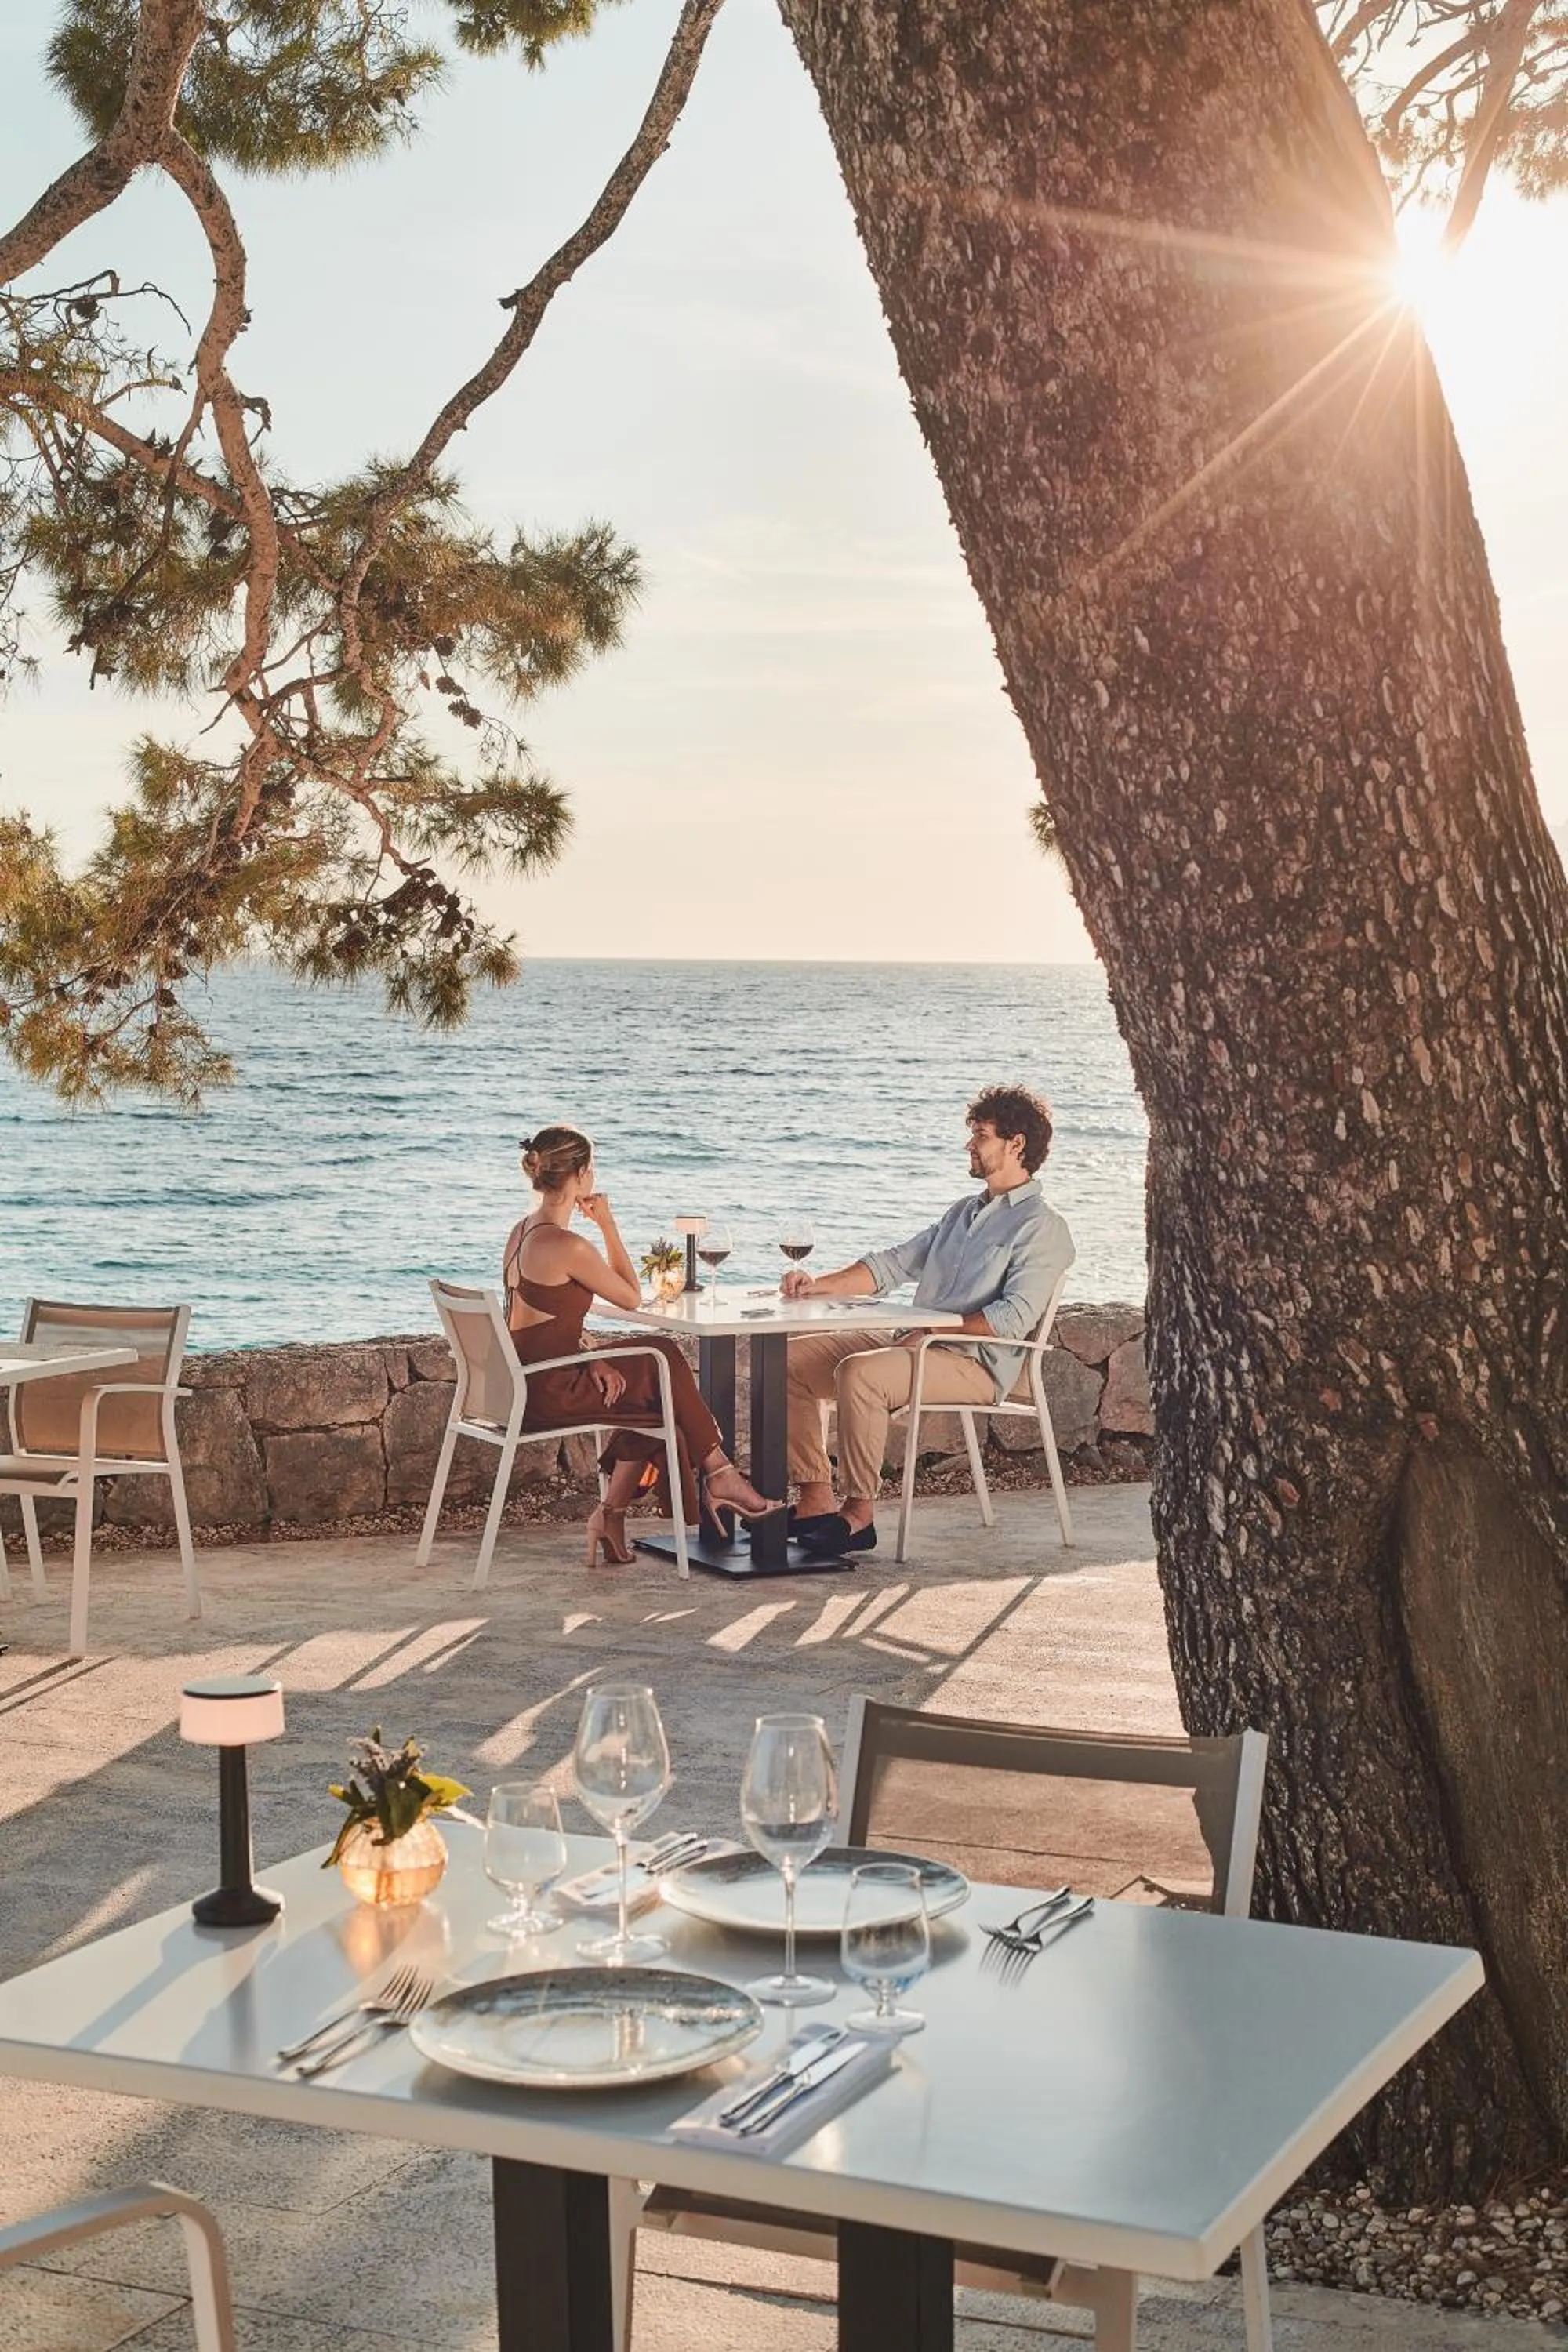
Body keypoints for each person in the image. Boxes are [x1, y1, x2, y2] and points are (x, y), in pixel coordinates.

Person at [782, 1084, 1074, 1555]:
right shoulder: (964, 1212)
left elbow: (1015, 1318)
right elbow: (893, 1265)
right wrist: (818, 1284)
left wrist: (934, 1331)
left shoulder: (1041, 1227)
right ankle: (815, 1498)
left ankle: (858, 1516)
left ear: (1015, 1144)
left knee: (859, 1373)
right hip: (917, 1343)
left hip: (975, 1363)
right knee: (789, 1360)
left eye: (980, 1135)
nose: (969, 1145)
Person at [503, 1124, 781, 1565]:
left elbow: (534, 1325)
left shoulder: (522, 1232)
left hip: (528, 1382)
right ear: (581, 1174)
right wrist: (608, 1225)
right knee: (663, 1364)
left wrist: (590, 1355)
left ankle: (612, 1513)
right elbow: (631, 1296)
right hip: (548, 1391)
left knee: (659, 1387)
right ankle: (719, 1474)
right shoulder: (569, 1245)